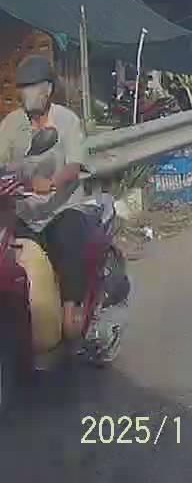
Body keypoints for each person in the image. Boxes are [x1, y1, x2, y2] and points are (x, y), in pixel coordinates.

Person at [0, 55, 95, 343]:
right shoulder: (12, 124)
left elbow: (74, 164)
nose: (26, 93)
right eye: (23, 88)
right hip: (26, 212)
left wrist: (52, 182)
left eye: (32, 87)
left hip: (62, 208)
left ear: (48, 90)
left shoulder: (66, 120)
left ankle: (71, 313)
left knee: (68, 240)